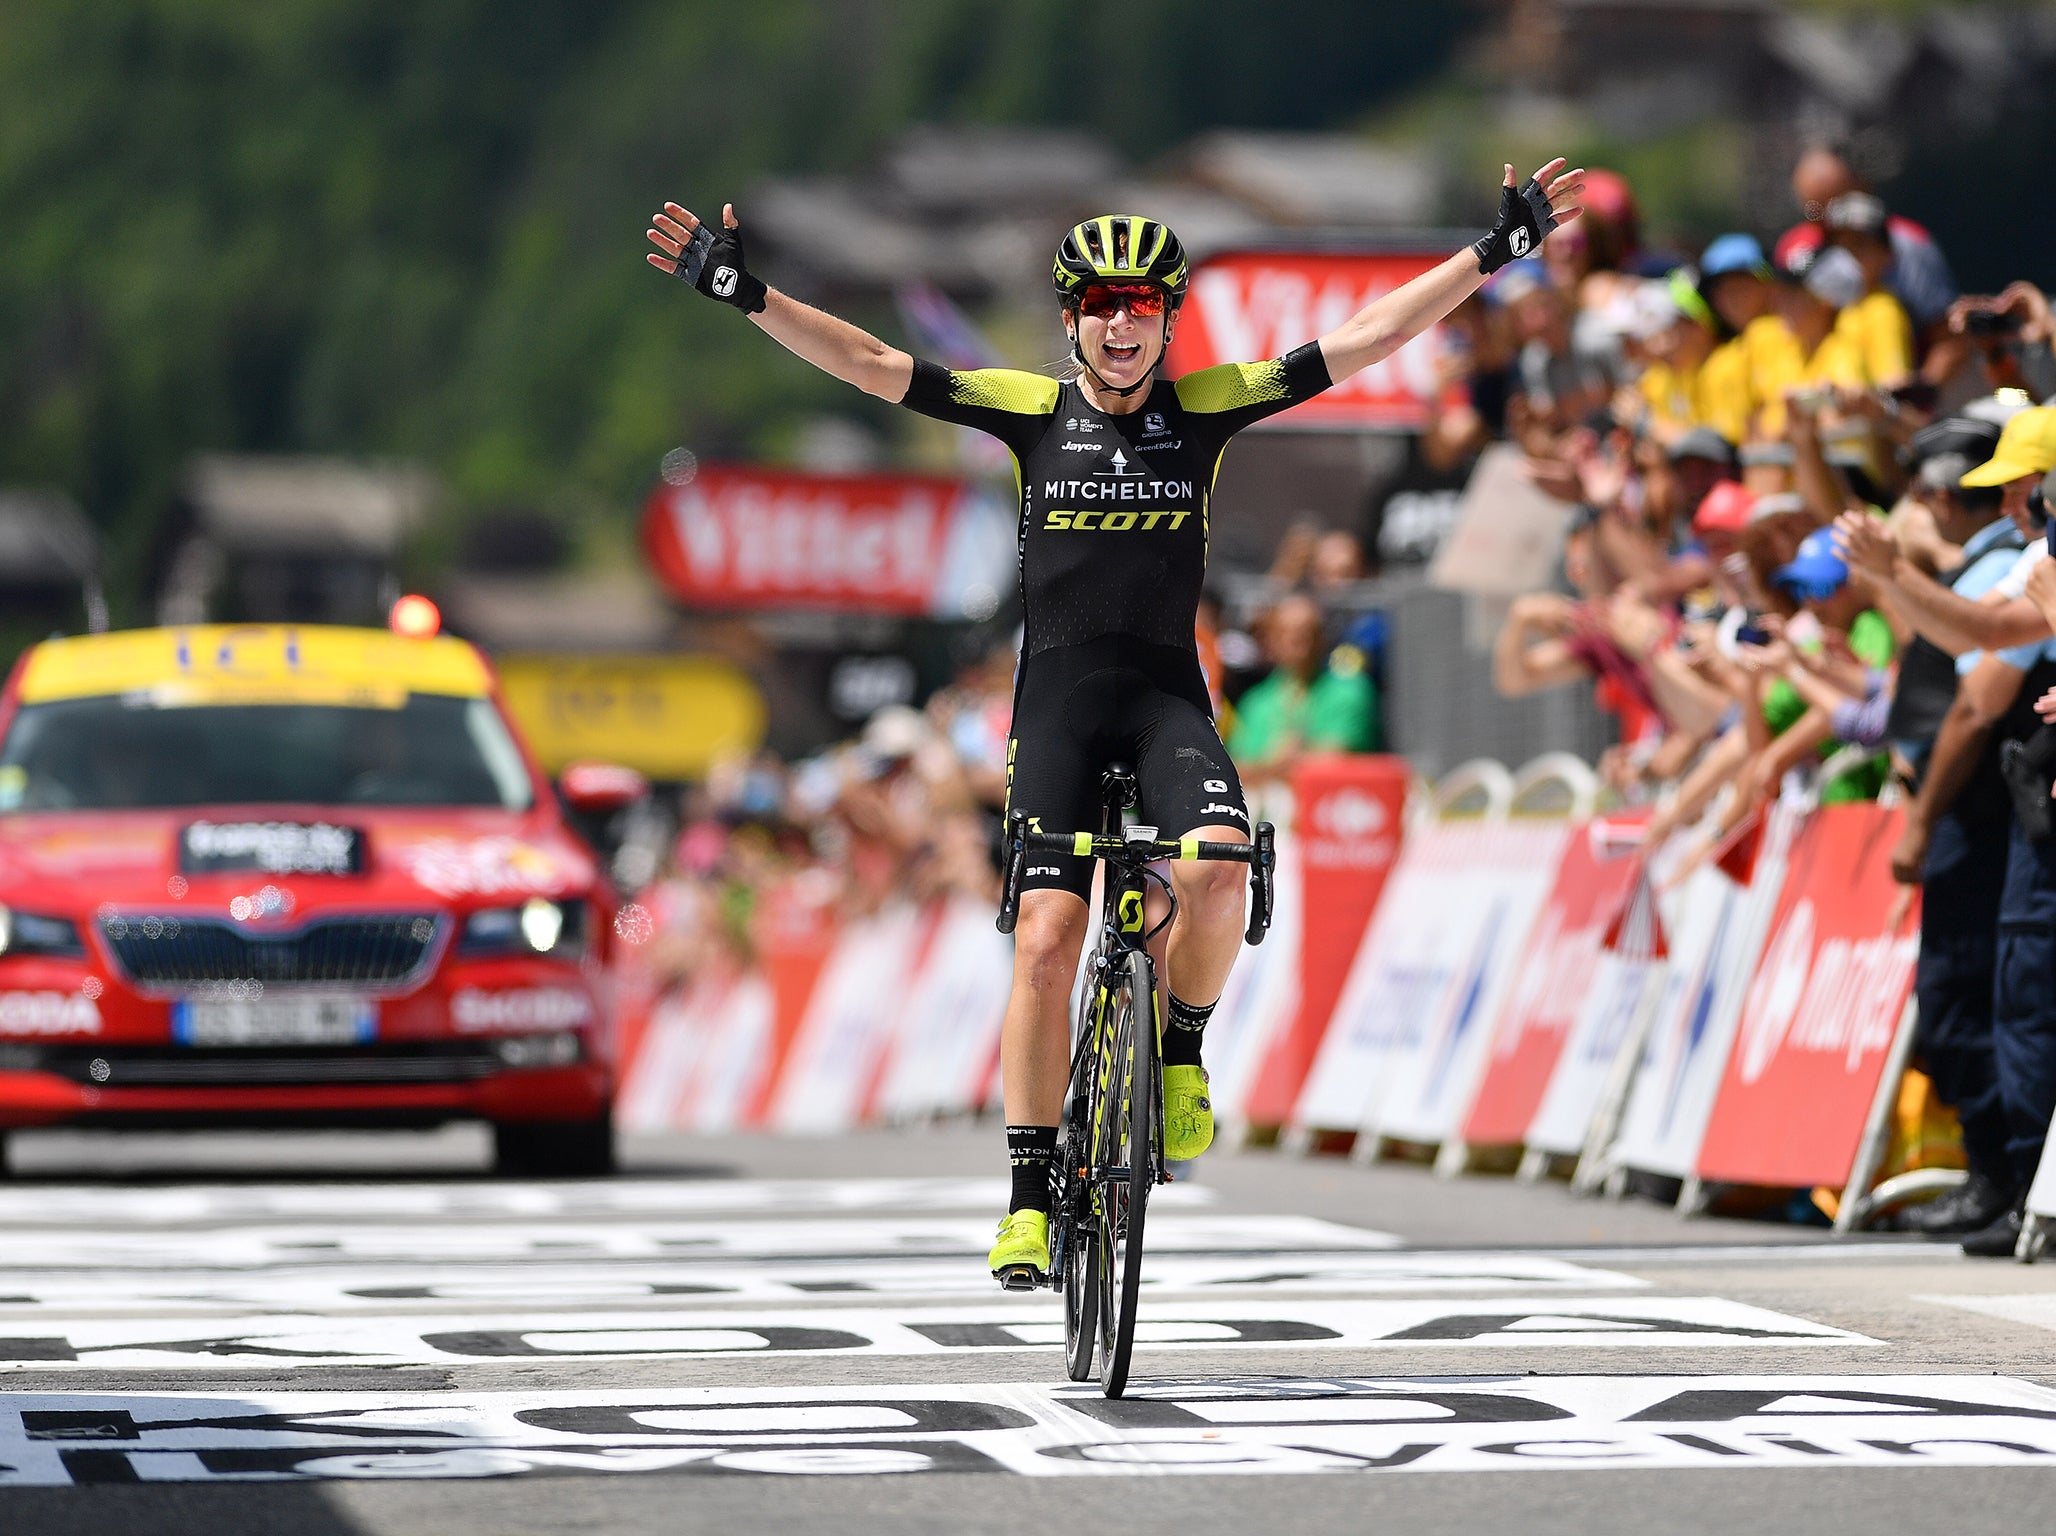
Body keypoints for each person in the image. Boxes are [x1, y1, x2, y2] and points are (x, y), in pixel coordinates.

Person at [646, 158, 1586, 1285]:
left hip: (1160, 700)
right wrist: (749, 296)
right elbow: (869, 360)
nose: (1122, 326)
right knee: (1045, 941)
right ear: (1072, 320)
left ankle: (1179, 1051)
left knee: (1223, 864)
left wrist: (1492, 253)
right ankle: (1028, 1194)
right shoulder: (1029, 411)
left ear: (1167, 319)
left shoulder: (1208, 408)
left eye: (1141, 307)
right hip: (1057, 705)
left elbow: (1367, 338)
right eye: (1101, 307)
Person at [1229, 592, 1380, 777]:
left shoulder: (1352, 690)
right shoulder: (1255, 702)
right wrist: (1281, 764)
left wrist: (1271, 766)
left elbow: (1336, 759)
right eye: (1288, 634)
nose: (1301, 644)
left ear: (1323, 637)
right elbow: (1235, 770)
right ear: (1271, 640)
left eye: (1309, 633)